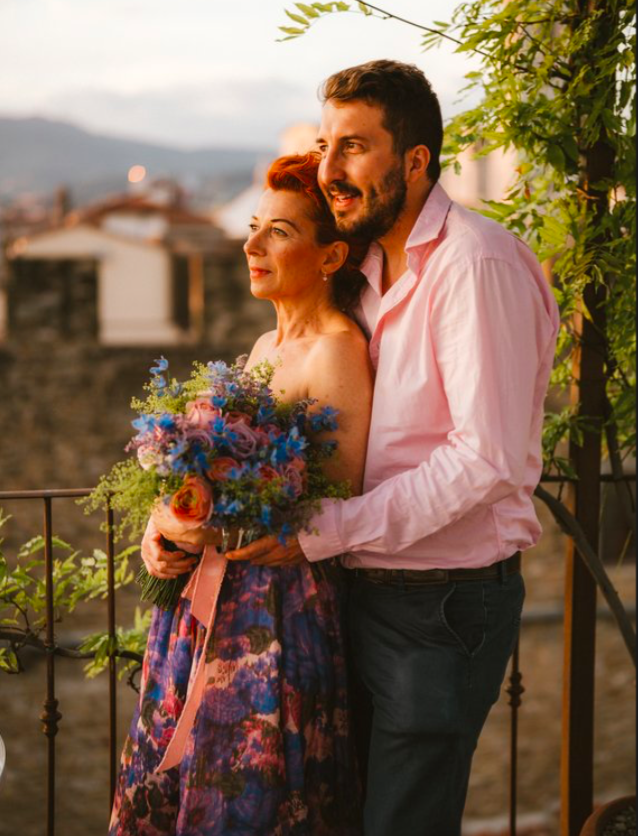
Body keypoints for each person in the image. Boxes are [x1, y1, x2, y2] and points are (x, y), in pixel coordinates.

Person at [218, 60, 560, 836]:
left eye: (355, 148)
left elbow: (487, 457)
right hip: (353, 593)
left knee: (402, 821)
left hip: (438, 605)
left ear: (415, 161)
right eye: (326, 144)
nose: (332, 170)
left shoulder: (476, 265)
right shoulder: (366, 266)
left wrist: (323, 531)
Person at [109, 153, 373, 836]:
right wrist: (163, 522)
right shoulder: (262, 346)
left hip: (273, 626)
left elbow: (330, 509)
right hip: (204, 617)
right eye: (254, 227)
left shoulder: (338, 351)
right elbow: (203, 476)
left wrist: (216, 532)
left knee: (249, 802)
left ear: (331, 254)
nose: (251, 246)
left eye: (278, 232)